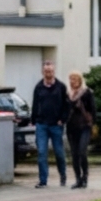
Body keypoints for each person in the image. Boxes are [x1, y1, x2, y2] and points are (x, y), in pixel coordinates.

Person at [30, 59, 69, 188]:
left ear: (54, 71)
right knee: (41, 152)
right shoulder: (38, 87)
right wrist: (33, 120)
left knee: (59, 152)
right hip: (42, 124)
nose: (48, 73)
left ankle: (63, 175)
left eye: (51, 71)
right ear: (43, 72)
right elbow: (35, 104)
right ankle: (43, 180)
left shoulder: (61, 87)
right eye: (46, 71)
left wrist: (62, 119)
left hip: (56, 125)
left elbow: (66, 105)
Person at [65, 70, 97, 189]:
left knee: (82, 151)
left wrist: (92, 123)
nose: (73, 82)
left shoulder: (87, 93)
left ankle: (85, 176)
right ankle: (78, 178)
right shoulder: (68, 94)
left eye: (75, 79)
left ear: (80, 80)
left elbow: (93, 110)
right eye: (71, 79)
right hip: (71, 128)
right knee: (74, 154)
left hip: (84, 126)